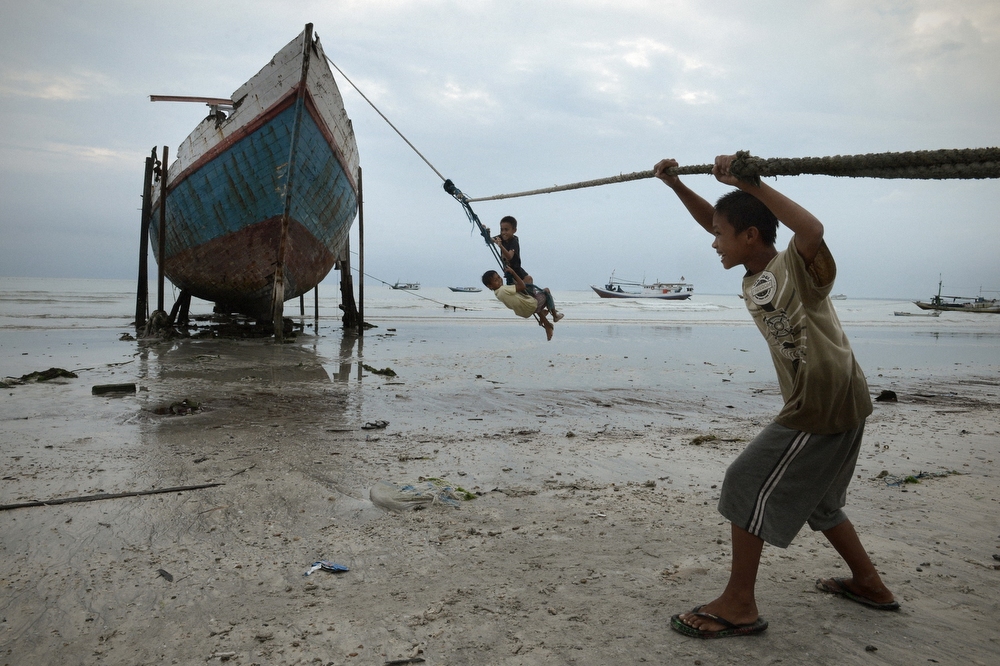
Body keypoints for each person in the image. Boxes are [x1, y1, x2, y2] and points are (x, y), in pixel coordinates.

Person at [653, 154, 897, 639]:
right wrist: (675, 185)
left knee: (744, 480)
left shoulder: (798, 268)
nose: (712, 240)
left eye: (720, 234)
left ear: (749, 236)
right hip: (842, 395)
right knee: (820, 501)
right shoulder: (753, 273)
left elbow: (811, 228)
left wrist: (753, 183)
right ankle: (870, 584)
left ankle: (740, 604)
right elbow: (720, 220)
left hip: (821, 401)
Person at [482, 265, 562, 340]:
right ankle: (555, 316)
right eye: (496, 280)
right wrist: (513, 273)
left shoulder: (497, 293)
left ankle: (545, 320)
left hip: (525, 312)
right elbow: (522, 286)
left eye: (499, 277)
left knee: (531, 297)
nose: (499, 280)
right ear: (490, 286)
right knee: (546, 290)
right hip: (531, 305)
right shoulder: (503, 289)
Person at [490, 216, 533, 286]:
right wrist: (486, 232)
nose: (503, 232)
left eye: (506, 230)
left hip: (517, 272)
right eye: (501, 230)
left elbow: (510, 256)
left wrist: (500, 246)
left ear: (514, 230)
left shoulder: (514, 241)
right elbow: (491, 240)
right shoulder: (501, 237)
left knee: (527, 282)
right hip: (509, 272)